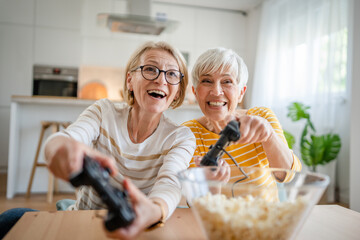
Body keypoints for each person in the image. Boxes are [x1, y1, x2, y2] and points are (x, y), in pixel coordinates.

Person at [0, 41, 196, 239]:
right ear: (130, 80)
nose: (161, 80)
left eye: (172, 74)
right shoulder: (104, 111)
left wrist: (153, 210)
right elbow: (67, 138)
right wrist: (59, 148)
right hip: (81, 222)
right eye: (151, 69)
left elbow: (170, 183)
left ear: (178, 91)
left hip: (137, 232)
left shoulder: (181, 137)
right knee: (10, 219)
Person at [182, 47, 301, 188]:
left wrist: (269, 136)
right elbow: (187, 195)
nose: (216, 91)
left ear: (241, 93)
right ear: (195, 92)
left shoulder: (262, 117)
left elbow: (287, 174)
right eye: (207, 81)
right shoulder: (187, 134)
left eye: (227, 81)